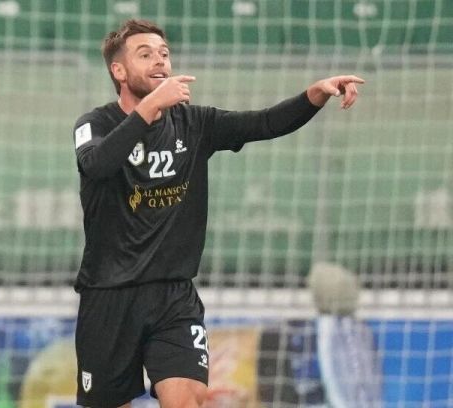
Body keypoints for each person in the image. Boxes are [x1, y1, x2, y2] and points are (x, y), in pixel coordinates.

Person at [71, 19, 364, 408]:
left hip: (174, 297)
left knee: (187, 399)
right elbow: (97, 165)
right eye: (145, 54)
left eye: (164, 53)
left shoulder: (194, 124)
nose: (160, 60)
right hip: (109, 297)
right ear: (119, 71)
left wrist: (314, 95)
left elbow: (263, 122)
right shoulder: (94, 124)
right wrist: (150, 107)